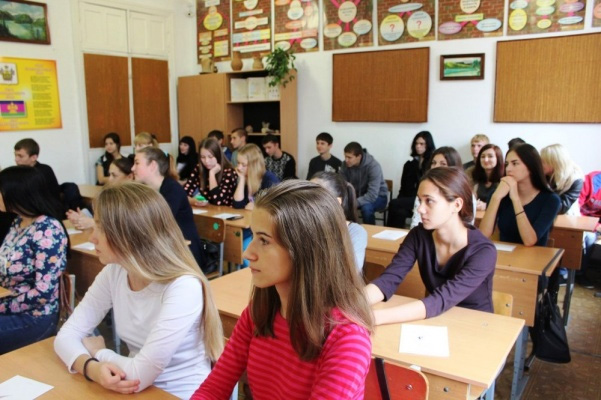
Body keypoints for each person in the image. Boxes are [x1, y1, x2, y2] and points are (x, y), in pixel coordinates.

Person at [191, 180, 373, 399]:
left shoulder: (347, 340)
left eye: (264, 241)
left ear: (305, 250)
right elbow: (213, 389)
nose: (248, 254)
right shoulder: (259, 312)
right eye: (253, 236)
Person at [54, 182, 223, 398]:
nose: (92, 237)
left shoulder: (183, 287)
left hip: (181, 393)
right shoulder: (115, 271)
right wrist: (91, 367)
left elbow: (139, 375)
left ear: (129, 235)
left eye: (101, 228)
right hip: (129, 387)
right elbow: (66, 336)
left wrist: (98, 352)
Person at [364, 167, 496, 324]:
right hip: (436, 318)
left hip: (476, 324)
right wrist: (351, 305)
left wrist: (371, 317)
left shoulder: (483, 251)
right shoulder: (418, 236)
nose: (420, 209)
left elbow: (441, 299)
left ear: (456, 205)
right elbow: (389, 279)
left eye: (429, 201)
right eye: (420, 200)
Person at [0, 166, 68, 354]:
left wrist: (2, 306)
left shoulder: (47, 229)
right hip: (9, 305)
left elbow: (43, 294)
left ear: (16, 193)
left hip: (35, 317)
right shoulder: (19, 222)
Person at [133, 147, 206, 271]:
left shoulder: (172, 189)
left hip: (185, 254)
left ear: (152, 166)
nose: (132, 168)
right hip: (166, 250)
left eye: (137, 163)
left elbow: (157, 222)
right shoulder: (148, 191)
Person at [480, 144, 561, 247]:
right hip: (505, 255)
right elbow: (483, 235)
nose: (508, 169)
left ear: (530, 166)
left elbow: (529, 241)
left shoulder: (551, 200)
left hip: (534, 255)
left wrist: (515, 199)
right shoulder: (498, 194)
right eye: (507, 164)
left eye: (515, 163)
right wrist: (496, 198)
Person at [311, 171, 367, 273]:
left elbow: (351, 272)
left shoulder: (355, 231)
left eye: (314, 197)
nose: (306, 203)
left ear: (337, 202)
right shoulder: (304, 227)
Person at [66, 158, 134, 230]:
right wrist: (80, 216)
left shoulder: (133, 199)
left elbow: (123, 227)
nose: (109, 179)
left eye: (114, 175)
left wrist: (93, 223)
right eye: (109, 175)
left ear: (129, 177)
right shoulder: (107, 194)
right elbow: (91, 210)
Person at [387, 131, 435, 228]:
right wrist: (400, 200)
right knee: (399, 210)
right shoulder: (409, 164)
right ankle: (393, 234)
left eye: (421, 144)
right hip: (409, 199)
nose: (418, 146)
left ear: (428, 145)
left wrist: (399, 202)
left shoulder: (432, 164)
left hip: (422, 198)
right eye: (416, 143)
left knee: (394, 203)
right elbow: (403, 187)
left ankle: (389, 230)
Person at [409, 146, 464, 229]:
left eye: (443, 164)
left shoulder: (463, 192)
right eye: (433, 163)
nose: (436, 167)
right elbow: (416, 222)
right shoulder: (425, 188)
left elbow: (466, 223)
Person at [340, 142, 389, 225]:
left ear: (359, 156)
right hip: (357, 197)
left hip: (379, 197)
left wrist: (353, 203)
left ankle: (370, 231)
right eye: (345, 156)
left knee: (366, 208)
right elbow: (342, 185)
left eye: (349, 157)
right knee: (341, 206)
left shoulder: (373, 166)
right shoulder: (345, 165)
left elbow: (372, 195)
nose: (346, 160)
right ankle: (349, 230)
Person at [183, 138, 238, 207]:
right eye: (203, 157)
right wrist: (193, 201)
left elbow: (218, 201)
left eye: (210, 157)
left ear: (218, 156)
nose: (206, 161)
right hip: (208, 210)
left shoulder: (229, 172)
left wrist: (212, 174)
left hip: (226, 211)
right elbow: (183, 194)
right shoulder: (199, 168)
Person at [540, 144, 583, 216]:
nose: (540, 164)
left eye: (543, 162)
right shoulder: (543, 175)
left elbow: (562, 207)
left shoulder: (575, 180)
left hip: (568, 217)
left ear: (555, 163)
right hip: (545, 215)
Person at [14, 138, 61, 202]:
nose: (16, 159)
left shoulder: (44, 171)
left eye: (20, 156)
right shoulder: (16, 171)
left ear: (34, 157)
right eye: (15, 155)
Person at [577, 170, 601, 289]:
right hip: (579, 218)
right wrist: (595, 227)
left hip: (595, 221)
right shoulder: (591, 181)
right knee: (589, 238)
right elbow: (575, 207)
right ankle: (577, 274)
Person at [472, 144, 504, 211]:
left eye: (490, 156)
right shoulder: (474, 178)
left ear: (498, 158)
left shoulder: (504, 180)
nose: (486, 160)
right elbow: (471, 199)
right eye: (483, 157)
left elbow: (505, 205)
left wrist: (487, 205)